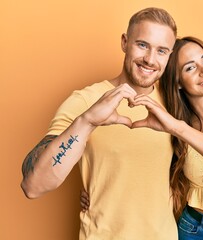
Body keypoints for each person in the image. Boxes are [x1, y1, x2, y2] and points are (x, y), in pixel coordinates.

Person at [81, 36, 203, 239]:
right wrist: (97, 191)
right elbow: (138, 168)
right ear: (178, 83)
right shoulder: (170, 126)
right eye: (190, 68)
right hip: (196, 231)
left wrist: (178, 128)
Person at [20, 7, 178, 239]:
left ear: (170, 56)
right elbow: (33, 186)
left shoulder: (176, 103)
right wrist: (87, 121)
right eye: (142, 45)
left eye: (161, 51)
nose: (150, 59)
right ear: (125, 42)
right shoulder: (84, 100)